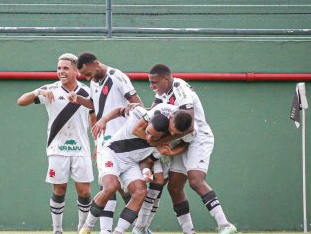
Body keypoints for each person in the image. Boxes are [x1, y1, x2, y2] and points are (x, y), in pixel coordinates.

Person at [148, 63, 237, 234]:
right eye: (150, 82)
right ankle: (189, 231)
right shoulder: (162, 94)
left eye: (155, 82)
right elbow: (152, 113)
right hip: (180, 141)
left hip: (198, 138)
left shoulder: (180, 88)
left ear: (166, 79)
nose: (152, 86)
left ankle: (226, 225)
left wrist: (161, 141)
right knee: (174, 188)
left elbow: (188, 126)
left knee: (195, 180)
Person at [79, 104, 193, 234]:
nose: (149, 138)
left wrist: (146, 172)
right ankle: (87, 227)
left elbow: (147, 162)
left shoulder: (163, 144)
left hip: (131, 164)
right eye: (148, 133)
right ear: (148, 121)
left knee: (140, 193)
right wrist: (104, 119)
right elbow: (120, 109)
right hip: (110, 153)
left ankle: (118, 232)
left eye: (154, 137)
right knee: (111, 187)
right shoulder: (138, 113)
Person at [17, 53, 95, 234]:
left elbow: (94, 119)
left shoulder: (87, 92)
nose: (61, 71)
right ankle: (57, 230)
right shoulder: (49, 89)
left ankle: (81, 229)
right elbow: (21, 101)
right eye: (59, 68)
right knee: (59, 189)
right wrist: (37, 92)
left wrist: (98, 144)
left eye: (65, 68)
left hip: (81, 149)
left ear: (76, 70)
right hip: (57, 149)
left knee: (84, 191)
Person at [69, 52, 142, 234]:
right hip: (105, 143)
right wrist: (78, 99)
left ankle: (140, 227)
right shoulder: (94, 82)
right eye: (84, 76)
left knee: (131, 190)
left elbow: (137, 105)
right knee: (108, 186)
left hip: (124, 142)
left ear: (96, 63)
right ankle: (105, 230)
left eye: (88, 74)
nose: (87, 78)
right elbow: (95, 106)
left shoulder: (117, 77)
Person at [132, 104, 195, 234]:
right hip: (142, 148)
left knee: (158, 187)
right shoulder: (159, 110)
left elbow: (184, 145)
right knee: (157, 181)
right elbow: (137, 130)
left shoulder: (191, 131)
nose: (172, 134)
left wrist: (170, 152)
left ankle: (142, 228)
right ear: (170, 117)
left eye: (176, 134)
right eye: (171, 130)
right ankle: (138, 229)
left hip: (163, 153)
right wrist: (155, 141)